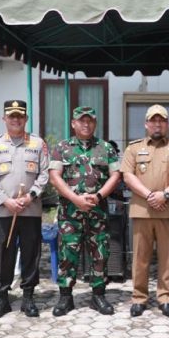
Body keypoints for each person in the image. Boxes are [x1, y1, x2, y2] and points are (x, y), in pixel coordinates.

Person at [49, 106, 122, 316]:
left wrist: (98, 196)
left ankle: (98, 295)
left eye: (90, 121)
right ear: (73, 123)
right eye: (82, 120)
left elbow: (116, 176)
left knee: (100, 252)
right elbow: (54, 176)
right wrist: (75, 199)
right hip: (69, 213)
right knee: (67, 253)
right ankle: (65, 297)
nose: (86, 124)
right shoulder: (62, 147)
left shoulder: (105, 148)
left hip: (97, 211)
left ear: (95, 123)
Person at [122, 104, 169, 317]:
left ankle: (165, 298)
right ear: (146, 124)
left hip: (167, 210)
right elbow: (128, 176)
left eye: (161, 120)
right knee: (140, 258)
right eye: (153, 120)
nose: (157, 124)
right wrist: (150, 195)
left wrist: (166, 194)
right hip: (142, 210)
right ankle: (139, 298)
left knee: (167, 257)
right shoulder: (133, 148)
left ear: (167, 124)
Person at [0, 100, 50, 319]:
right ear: (4, 118)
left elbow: (44, 173)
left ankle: (28, 297)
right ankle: (2, 298)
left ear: (26, 118)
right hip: (5, 211)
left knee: (31, 253)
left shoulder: (37, 143)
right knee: (3, 253)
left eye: (20, 116)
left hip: (30, 210)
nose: (16, 120)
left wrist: (31, 196)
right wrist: (5, 201)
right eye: (11, 116)